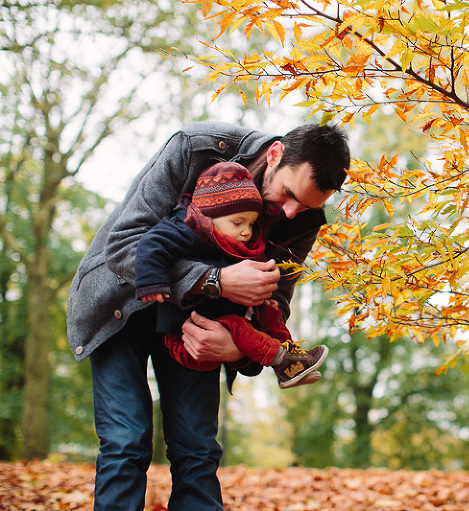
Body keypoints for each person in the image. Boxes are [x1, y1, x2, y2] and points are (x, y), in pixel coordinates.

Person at [66, 121, 350, 511]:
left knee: (197, 449)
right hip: (124, 305)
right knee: (126, 441)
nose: (291, 212)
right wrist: (214, 280)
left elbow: (275, 302)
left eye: (306, 207)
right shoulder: (195, 149)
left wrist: (237, 348)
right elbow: (125, 244)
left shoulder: (301, 218)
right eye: (288, 195)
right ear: (274, 154)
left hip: (199, 330)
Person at [134, 161, 327, 389]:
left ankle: (295, 359)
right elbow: (151, 244)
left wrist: (263, 298)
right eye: (238, 223)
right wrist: (152, 281)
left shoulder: (235, 239)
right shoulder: (186, 230)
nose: (246, 231)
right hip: (188, 335)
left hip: (219, 323)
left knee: (270, 314)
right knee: (237, 325)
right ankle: (281, 362)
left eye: (252, 223)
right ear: (209, 216)